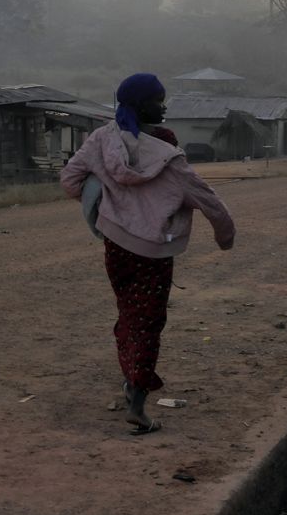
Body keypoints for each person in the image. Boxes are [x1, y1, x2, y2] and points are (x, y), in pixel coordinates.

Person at [60, 73, 236, 434]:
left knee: (129, 314)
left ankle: (129, 383)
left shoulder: (101, 139)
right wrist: (225, 237)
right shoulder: (169, 155)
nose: (164, 106)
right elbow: (207, 199)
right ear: (142, 105)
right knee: (148, 321)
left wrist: (107, 204)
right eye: (159, 100)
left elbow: (70, 181)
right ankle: (138, 405)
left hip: (115, 246)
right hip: (152, 254)